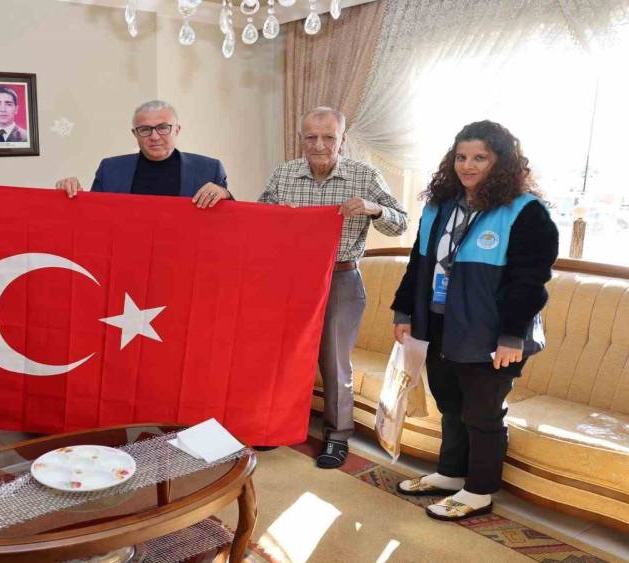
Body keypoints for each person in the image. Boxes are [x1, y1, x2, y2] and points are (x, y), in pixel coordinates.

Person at [391, 120, 558, 521]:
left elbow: (530, 281)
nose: (467, 165)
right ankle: (451, 474)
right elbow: (418, 263)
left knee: (483, 413)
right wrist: (404, 311)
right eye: (461, 157)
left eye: (480, 157)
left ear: (502, 162)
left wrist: (511, 335)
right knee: (450, 404)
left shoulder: (526, 212)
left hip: (493, 333)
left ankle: (480, 490)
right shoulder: (439, 206)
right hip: (440, 325)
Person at [257, 106, 407, 463]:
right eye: (311, 137)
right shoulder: (284, 173)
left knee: (335, 362)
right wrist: (277, 217)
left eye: (328, 137)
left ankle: (337, 436)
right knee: (285, 356)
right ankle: (278, 425)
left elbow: (400, 223)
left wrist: (373, 208)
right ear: (301, 139)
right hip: (292, 279)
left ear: (342, 139)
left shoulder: (364, 175)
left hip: (341, 278)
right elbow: (260, 220)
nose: (319, 145)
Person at [55, 100, 232, 208]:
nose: (154, 137)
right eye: (145, 129)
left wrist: (225, 194)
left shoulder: (209, 169)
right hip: (127, 253)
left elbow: (231, 222)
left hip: (186, 253)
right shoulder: (110, 169)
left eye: (163, 127)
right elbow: (93, 215)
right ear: (135, 134)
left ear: (177, 130)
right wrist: (71, 194)